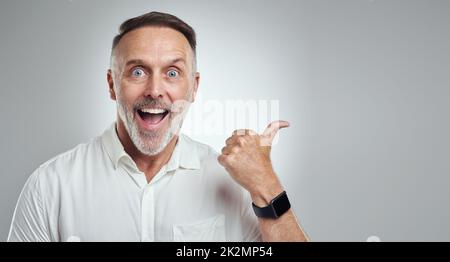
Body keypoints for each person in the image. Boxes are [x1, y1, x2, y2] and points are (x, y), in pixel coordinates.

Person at [7, 11, 308, 242]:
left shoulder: (235, 186)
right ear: (112, 85)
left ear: (194, 87)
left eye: (173, 73)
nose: (154, 89)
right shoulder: (48, 187)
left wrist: (267, 185)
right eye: (137, 71)